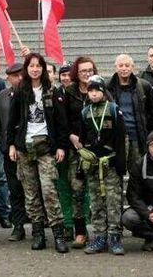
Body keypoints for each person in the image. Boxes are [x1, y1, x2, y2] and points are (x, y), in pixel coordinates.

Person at [9, 51, 71, 253]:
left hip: (46, 147)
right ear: (26, 69)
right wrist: (11, 144)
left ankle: (59, 235)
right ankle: (38, 234)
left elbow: (62, 122)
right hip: (25, 148)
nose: (35, 69)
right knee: (31, 194)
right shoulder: (20, 91)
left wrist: (61, 146)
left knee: (49, 191)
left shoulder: (53, 91)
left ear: (43, 68)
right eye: (31, 66)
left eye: (38, 66)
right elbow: (12, 120)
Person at [77, 75, 126, 255]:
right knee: (96, 201)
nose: (94, 94)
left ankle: (115, 237)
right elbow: (82, 139)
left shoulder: (113, 109)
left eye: (97, 90)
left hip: (110, 162)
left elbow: (121, 137)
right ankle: (99, 236)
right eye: (91, 91)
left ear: (103, 92)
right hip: (93, 164)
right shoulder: (85, 112)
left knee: (113, 201)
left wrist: (121, 161)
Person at [59, 56, 95, 248]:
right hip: (76, 149)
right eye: (83, 71)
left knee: (99, 190)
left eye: (90, 70)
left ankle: (103, 231)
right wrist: (71, 137)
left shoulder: (100, 88)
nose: (87, 74)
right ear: (76, 73)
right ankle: (80, 232)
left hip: (97, 148)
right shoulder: (68, 92)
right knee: (77, 190)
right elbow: (61, 120)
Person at [107, 53, 153, 169]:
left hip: (137, 138)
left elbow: (152, 112)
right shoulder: (108, 87)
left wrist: (151, 134)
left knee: (137, 171)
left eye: (127, 65)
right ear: (115, 67)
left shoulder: (144, 86)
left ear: (132, 67)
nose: (124, 68)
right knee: (115, 172)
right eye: (121, 66)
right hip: (116, 138)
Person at [0, 61, 30, 242]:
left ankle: (38, 225)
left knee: (33, 189)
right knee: (14, 188)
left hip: (29, 148)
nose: (18, 78)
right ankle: (18, 226)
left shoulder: (30, 93)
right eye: (14, 75)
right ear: (8, 77)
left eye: (21, 75)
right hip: (8, 150)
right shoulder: (2, 96)